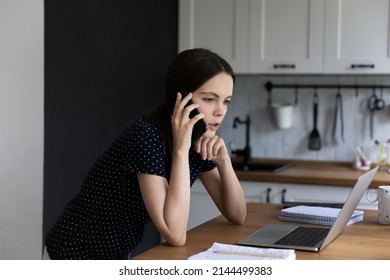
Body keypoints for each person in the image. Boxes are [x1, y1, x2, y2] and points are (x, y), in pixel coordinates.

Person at [44, 48, 247, 260]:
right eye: (209, 99)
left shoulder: (197, 141)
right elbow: (174, 233)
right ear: (181, 99)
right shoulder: (146, 135)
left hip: (113, 254)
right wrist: (180, 150)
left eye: (226, 101)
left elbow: (238, 214)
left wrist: (224, 163)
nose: (220, 111)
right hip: (71, 253)